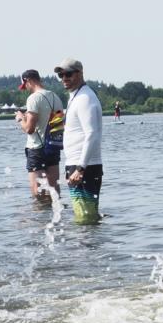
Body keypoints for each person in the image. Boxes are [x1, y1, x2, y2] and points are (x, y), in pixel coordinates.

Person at [56, 58, 103, 223]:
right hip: (77, 165)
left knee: (85, 219)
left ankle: (87, 247)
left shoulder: (85, 98)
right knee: (84, 217)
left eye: (68, 74)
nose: (64, 79)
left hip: (85, 167)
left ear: (80, 73)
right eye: (61, 75)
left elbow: (92, 134)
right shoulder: (75, 97)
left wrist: (80, 168)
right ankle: (87, 247)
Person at [15, 69, 63, 198]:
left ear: (28, 81)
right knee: (54, 190)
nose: (26, 89)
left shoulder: (33, 98)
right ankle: (57, 215)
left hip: (36, 149)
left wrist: (20, 118)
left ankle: (39, 217)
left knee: (38, 192)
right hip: (53, 147)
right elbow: (57, 124)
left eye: (25, 86)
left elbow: (29, 129)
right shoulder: (55, 96)